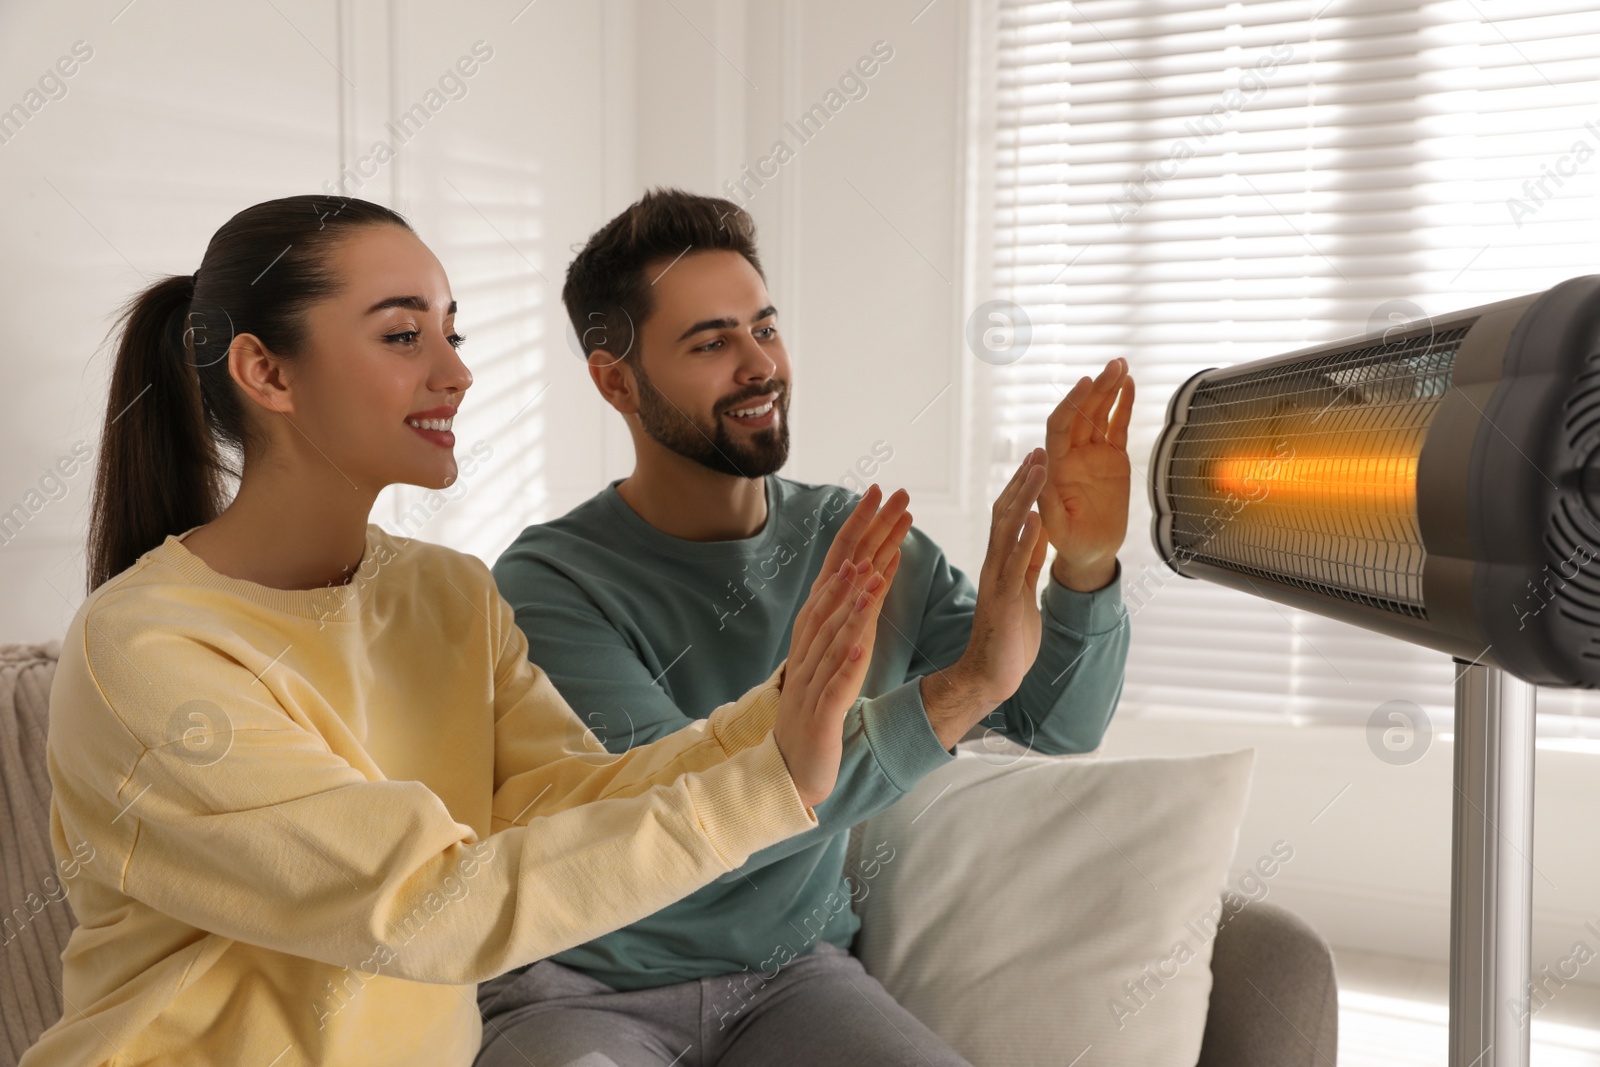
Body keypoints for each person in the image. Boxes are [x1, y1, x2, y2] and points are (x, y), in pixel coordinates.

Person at [21, 194, 906, 1067]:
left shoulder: (447, 592)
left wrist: (779, 720)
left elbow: (570, 800)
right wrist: (764, 785)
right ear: (267, 373)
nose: (457, 371)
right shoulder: (144, 651)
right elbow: (429, 905)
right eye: (405, 336)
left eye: (455, 333)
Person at [477, 188, 1135, 1066]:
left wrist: (1086, 569)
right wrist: (963, 688)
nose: (761, 364)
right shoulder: (549, 583)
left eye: (766, 327)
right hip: (582, 990)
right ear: (615, 380)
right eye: (712, 342)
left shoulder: (858, 540)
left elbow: (1059, 722)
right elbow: (692, 834)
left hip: (793, 979)